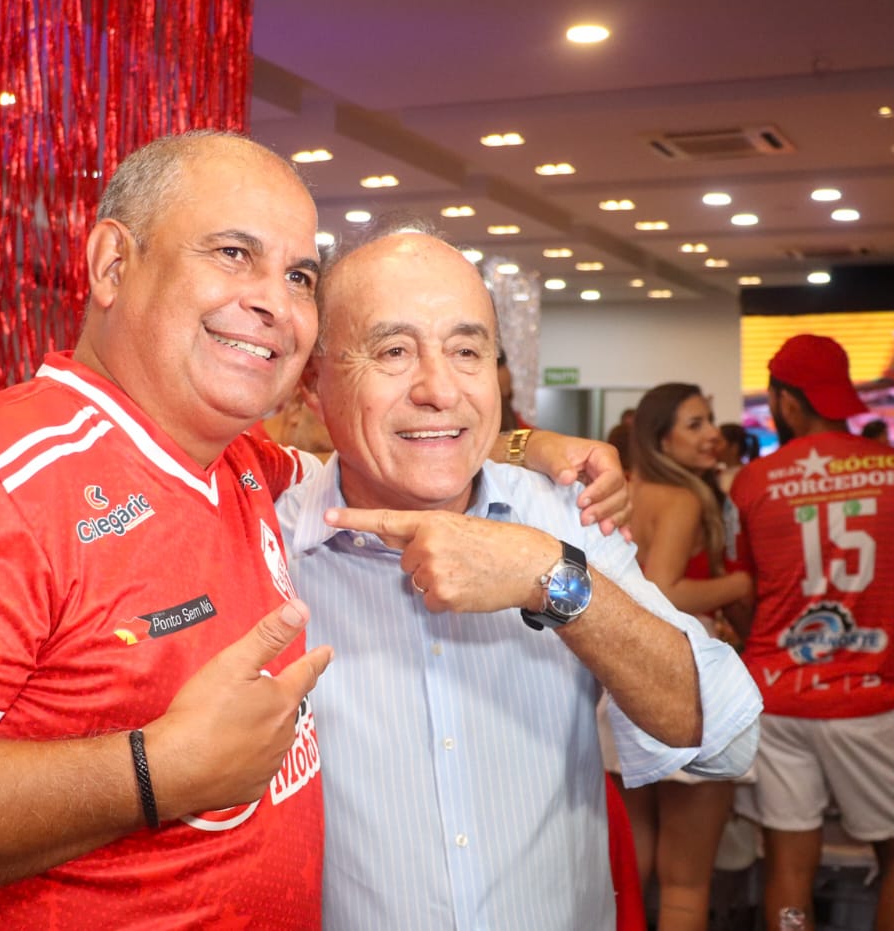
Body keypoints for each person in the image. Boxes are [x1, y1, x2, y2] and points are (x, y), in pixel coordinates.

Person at [0, 132, 631, 927]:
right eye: (233, 253)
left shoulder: (245, 466)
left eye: (299, 276)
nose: (276, 303)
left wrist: (526, 445)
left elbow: (398, 449)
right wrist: (155, 771)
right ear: (112, 263)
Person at [282, 229, 761, 929]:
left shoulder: (565, 515)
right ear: (312, 381)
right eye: (393, 351)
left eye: (467, 351)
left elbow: (722, 739)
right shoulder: (268, 539)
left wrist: (551, 577)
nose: (440, 389)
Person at [727, 334, 894, 929]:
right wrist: (889, 667)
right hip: (870, 699)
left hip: (776, 697)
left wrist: (770, 651)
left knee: (788, 865)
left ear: (786, 401)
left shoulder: (751, 484)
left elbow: (741, 598)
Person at [607, 383, 754, 930]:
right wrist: (738, 584)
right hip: (684, 677)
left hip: (621, 674)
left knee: (631, 869)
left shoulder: (628, 491)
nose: (712, 434)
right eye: (695, 424)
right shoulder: (684, 498)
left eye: (709, 420)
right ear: (660, 438)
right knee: (686, 882)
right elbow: (664, 591)